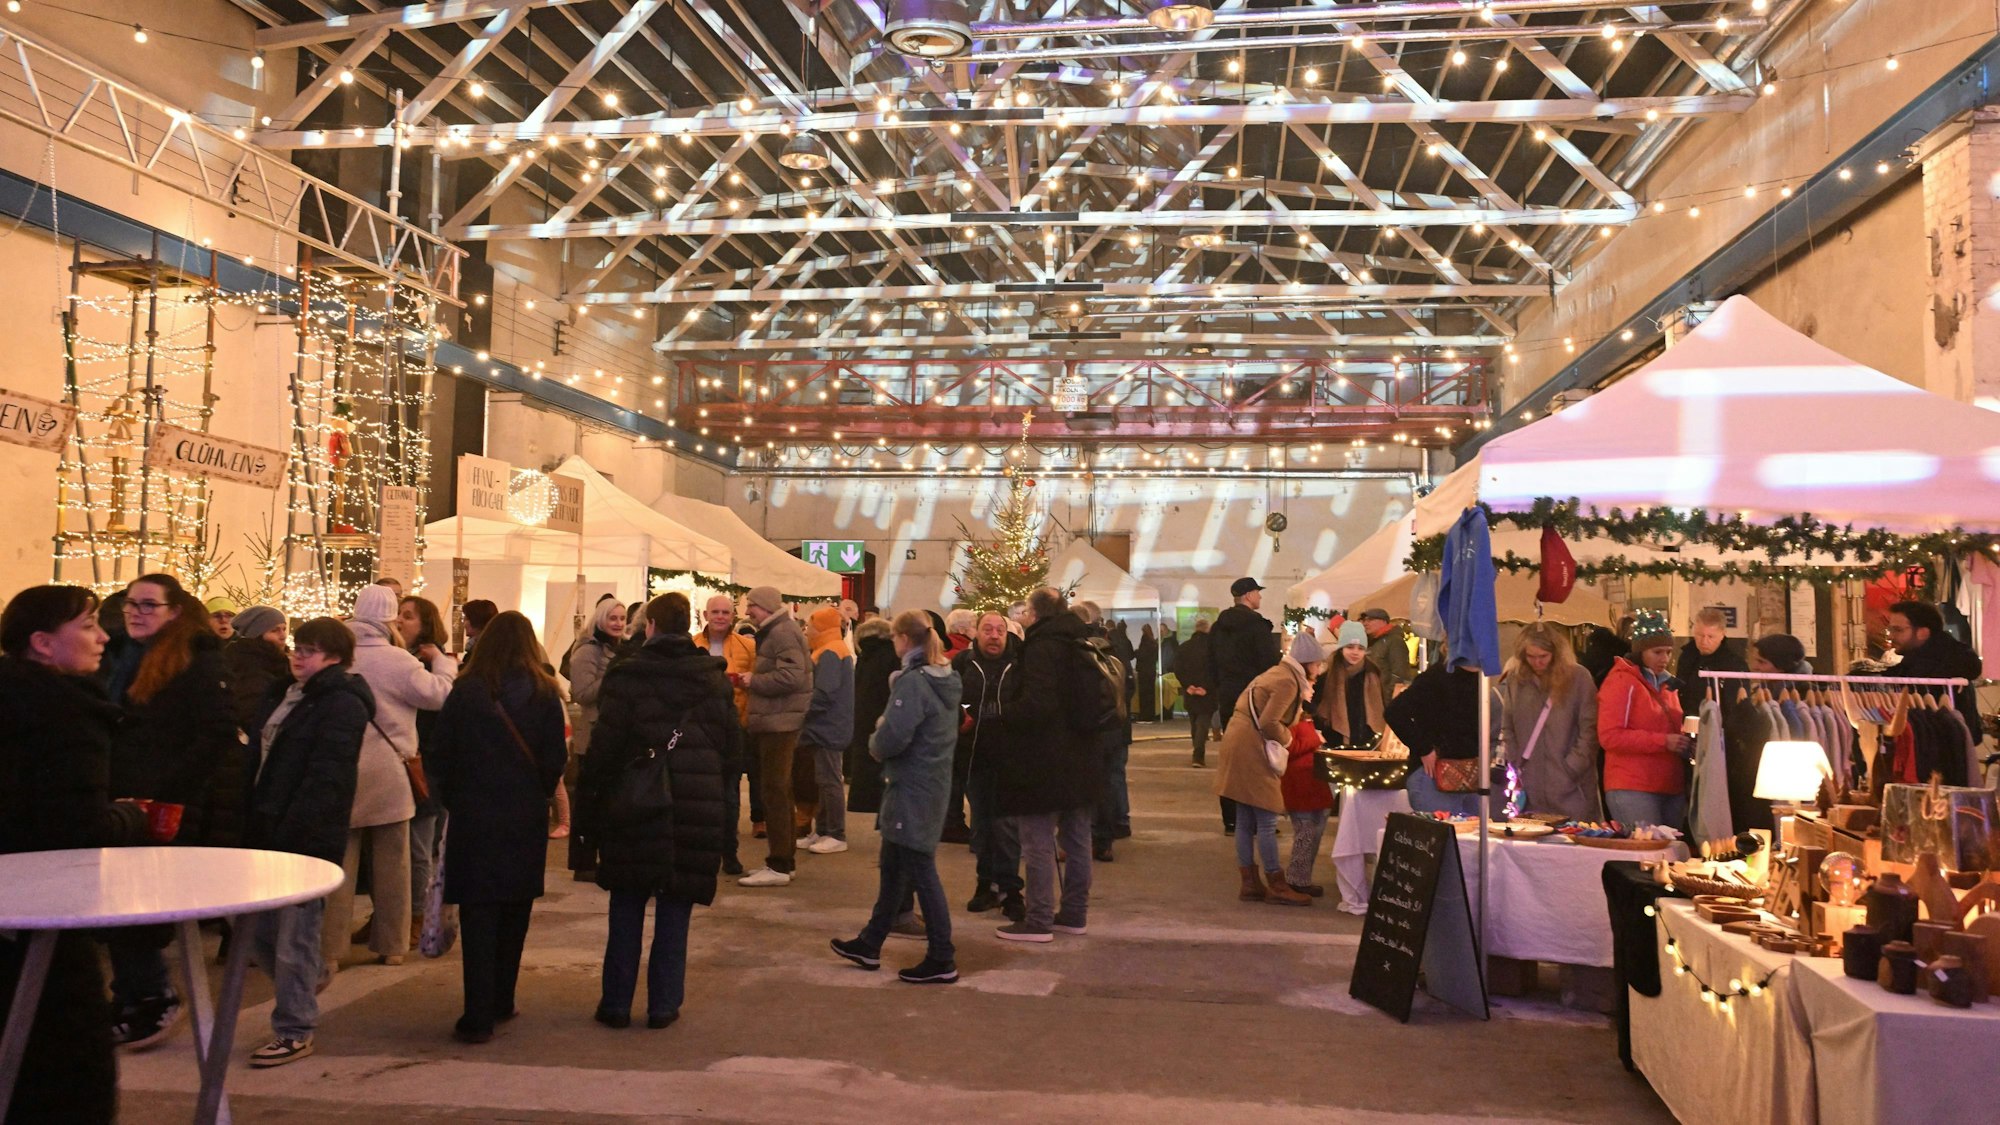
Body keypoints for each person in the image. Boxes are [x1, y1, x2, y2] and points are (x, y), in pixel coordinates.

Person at [0, 586, 154, 1121]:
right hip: (47, 912)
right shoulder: (65, 713)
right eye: (88, 626)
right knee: (67, 1061)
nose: (103, 637)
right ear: (43, 643)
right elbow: (75, 826)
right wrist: (130, 817)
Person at [580, 593, 737, 1029]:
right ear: (689, 624)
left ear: (649, 626)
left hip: (634, 805)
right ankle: (663, 1005)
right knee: (675, 910)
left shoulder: (627, 676)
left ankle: (616, 1003)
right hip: (695, 806)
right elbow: (731, 751)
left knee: (627, 905)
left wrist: (592, 808)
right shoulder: (712, 680)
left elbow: (604, 749)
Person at [100, 572, 240, 1049]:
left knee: (137, 905)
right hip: (123, 799)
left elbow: (217, 733)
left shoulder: (196, 660)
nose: (135, 612)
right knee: (118, 903)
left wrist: (167, 791)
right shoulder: (124, 656)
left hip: (160, 804)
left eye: (148, 605)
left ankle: (153, 997)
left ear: (175, 611)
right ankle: (132, 995)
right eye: (130, 603)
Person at [426, 611, 567, 1043]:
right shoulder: (544, 692)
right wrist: (539, 792)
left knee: (479, 914)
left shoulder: (466, 690)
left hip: (474, 815)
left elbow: (439, 753)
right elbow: (555, 758)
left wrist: (455, 798)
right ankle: (503, 997)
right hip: (523, 815)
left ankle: (478, 1014)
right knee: (514, 911)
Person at [241, 616, 373, 1068]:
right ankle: (312, 974)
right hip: (265, 826)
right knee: (259, 933)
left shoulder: (341, 703)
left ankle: (294, 1029)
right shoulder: (284, 693)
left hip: (305, 834)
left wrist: (299, 829)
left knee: (293, 938)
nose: (297, 656)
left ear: (334, 657)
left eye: (309, 650)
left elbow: (327, 778)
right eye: (296, 647)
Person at [829, 610, 963, 984]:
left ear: (903, 639)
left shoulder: (914, 683)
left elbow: (893, 737)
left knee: (921, 871)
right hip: (927, 784)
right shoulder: (945, 677)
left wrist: (875, 740)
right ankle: (870, 943)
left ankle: (942, 956)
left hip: (912, 787)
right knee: (892, 868)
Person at [327, 584, 453, 970]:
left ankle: (330, 950)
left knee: (340, 867)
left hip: (341, 770)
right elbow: (439, 695)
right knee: (393, 866)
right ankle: (392, 945)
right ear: (389, 617)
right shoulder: (398, 660)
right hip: (390, 772)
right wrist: (445, 664)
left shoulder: (337, 656)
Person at [993, 587, 1102, 942]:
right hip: (1083, 755)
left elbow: (1038, 705)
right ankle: (1074, 914)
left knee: (1037, 840)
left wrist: (1004, 713)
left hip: (1044, 758)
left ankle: (1038, 919)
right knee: (1078, 839)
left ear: (1034, 614)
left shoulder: (1042, 647)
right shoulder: (1083, 641)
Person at [1217, 632, 1322, 906]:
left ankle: (1250, 884)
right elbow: (1269, 722)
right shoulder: (1288, 681)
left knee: (1244, 819)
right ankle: (1277, 885)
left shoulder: (1276, 673)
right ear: (1307, 662)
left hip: (1237, 741)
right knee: (1266, 819)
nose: (1319, 669)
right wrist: (1288, 742)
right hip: (1253, 748)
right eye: (1317, 663)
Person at [737, 586, 813, 888]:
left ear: (766, 606)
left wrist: (753, 680)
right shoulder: (780, 630)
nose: (747, 612)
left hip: (779, 722)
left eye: (751, 606)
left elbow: (791, 676)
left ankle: (779, 864)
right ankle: (784, 860)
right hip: (777, 720)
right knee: (778, 790)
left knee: (775, 791)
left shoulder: (781, 633)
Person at [955, 611, 1023, 920]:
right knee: (982, 827)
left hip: (1011, 760)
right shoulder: (963, 663)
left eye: (1000, 630)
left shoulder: (1020, 665)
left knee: (1007, 828)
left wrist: (999, 713)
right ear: (976, 633)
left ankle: (1010, 890)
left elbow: (1028, 704)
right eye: (987, 629)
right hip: (975, 758)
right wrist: (965, 714)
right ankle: (986, 886)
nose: (994, 635)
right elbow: (956, 699)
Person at [1499, 623, 1603, 822]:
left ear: (1555, 653)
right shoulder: (1515, 680)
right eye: (1531, 656)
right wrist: (1516, 761)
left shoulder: (1579, 678)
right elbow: (1508, 726)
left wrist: (1571, 767)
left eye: (1543, 656)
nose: (1537, 662)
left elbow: (1590, 729)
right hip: (1530, 788)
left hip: (1572, 790)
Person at [396, 595, 454, 946]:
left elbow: (438, 713)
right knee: (401, 849)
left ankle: (418, 915)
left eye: (408, 616)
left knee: (419, 847)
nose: (400, 620)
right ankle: (395, 915)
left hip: (426, 767)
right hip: (409, 764)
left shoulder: (432, 663)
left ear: (426, 624)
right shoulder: (404, 658)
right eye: (398, 614)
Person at [1597, 611, 1690, 830]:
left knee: (1669, 850)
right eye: (1657, 652)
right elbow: (1610, 736)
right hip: (1632, 786)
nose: (1665, 659)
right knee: (1644, 849)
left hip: (1670, 786)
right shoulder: (1622, 681)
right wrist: (1664, 741)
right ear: (1640, 652)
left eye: (1668, 652)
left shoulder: (1668, 685)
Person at [1210, 578, 1279, 833]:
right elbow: (1270, 666)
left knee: (1231, 757)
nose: (1260, 597)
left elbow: (1210, 663)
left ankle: (1232, 820)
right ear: (1249, 595)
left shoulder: (1218, 627)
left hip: (1229, 698)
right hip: (1254, 699)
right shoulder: (1257, 627)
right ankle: (1259, 820)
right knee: (1258, 760)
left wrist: (1222, 689)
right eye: (1258, 593)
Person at [1387, 658, 1495, 817]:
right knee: (1440, 830)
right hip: (1433, 776)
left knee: (1471, 832)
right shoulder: (1435, 677)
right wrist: (1424, 748)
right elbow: (1394, 712)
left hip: (1471, 776)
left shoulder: (1481, 679)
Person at [563, 599, 626, 865]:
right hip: (592, 734)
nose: (618, 623)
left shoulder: (622, 648)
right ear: (600, 619)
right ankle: (584, 860)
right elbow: (582, 693)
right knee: (589, 802)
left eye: (622, 618)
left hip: (615, 733)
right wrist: (614, 674)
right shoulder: (588, 651)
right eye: (613, 618)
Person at [697, 594, 756, 875]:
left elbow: (757, 681)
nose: (720, 617)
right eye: (715, 612)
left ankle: (729, 852)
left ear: (733, 616)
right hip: (700, 730)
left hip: (735, 729)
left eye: (725, 612)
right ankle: (702, 852)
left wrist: (748, 682)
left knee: (730, 795)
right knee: (700, 795)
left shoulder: (748, 646)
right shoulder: (692, 645)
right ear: (705, 615)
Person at [794, 606, 855, 855]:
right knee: (823, 780)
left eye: (810, 626)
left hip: (828, 727)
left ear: (821, 627)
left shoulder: (830, 652)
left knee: (830, 781)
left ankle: (836, 834)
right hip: (826, 726)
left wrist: (800, 710)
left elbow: (824, 693)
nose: (807, 630)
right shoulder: (831, 649)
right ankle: (822, 831)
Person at [1885, 600, 1985, 745]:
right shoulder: (1915, 660)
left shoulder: (1952, 660)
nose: (1891, 636)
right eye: (1890, 629)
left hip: (1945, 748)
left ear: (1923, 633)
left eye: (1898, 630)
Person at [1278, 695, 1332, 898]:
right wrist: (1316, 740)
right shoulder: (1288, 723)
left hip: (1313, 781)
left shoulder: (1306, 720)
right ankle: (1296, 879)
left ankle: (1303, 878)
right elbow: (1290, 749)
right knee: (1305, 833)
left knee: (1313, 834)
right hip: (1299, 783)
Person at [845, 617, 897, 816]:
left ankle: (863, 800)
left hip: (862, 714)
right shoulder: (893, 655)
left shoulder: (864, 655)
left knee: (864, 759)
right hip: (884, 713)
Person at [1315, 622, 1384, 749]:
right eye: (1350, 647)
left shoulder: (1373, 673)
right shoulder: (1327, 674)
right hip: (1334, 743)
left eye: (1360, 648)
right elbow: (1317, 709)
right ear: (1341, 648)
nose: (1355, 652)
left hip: (1368, 743)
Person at [223, 606, 291, 732]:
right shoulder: (250, 666)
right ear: (257, 635)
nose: (283, 636)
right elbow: (252, 716)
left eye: (284, 629)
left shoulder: (277, 661)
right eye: (275, 630)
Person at [1675, 608, 1748, 715]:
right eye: (1700, 635)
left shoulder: (1734, 664)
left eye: (1710, 636)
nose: (1704, 641)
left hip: (1719, 721)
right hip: (1687, 719)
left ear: (1722, 634)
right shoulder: (1686, 656)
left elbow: (1735, 707)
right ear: (1694, 632)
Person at [1174, 618, 1218, 767]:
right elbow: (1216, 671)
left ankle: (1196, 750)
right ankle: (1198, 755)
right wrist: (1206, 687)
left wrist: (1188, 686)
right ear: (1208, 630)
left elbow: (1177, 668)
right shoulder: (1213, 648)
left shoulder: (1184, 647)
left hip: (1190, 692)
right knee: (1203, 723)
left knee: (1194, 722)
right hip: (1207, 692)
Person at [1359, 608, 1416, 705]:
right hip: (1372, 699)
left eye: (1370, 620)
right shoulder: (1372, 641)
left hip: (1385, 701)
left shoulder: (1395, 641)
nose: (1365, 623)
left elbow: (1399, 674)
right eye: (1364, 620)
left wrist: (1388, 698)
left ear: (1383, 621)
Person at [1135, 624, 1158, 722]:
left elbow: (1142, 654)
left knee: (1144, 695)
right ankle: (1150, 715)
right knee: (1150, 694)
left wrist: (1136, 652)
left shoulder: (1145, 640)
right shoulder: (1154, 642)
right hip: (1151, 670)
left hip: (1144, 671)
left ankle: (1145, 716)